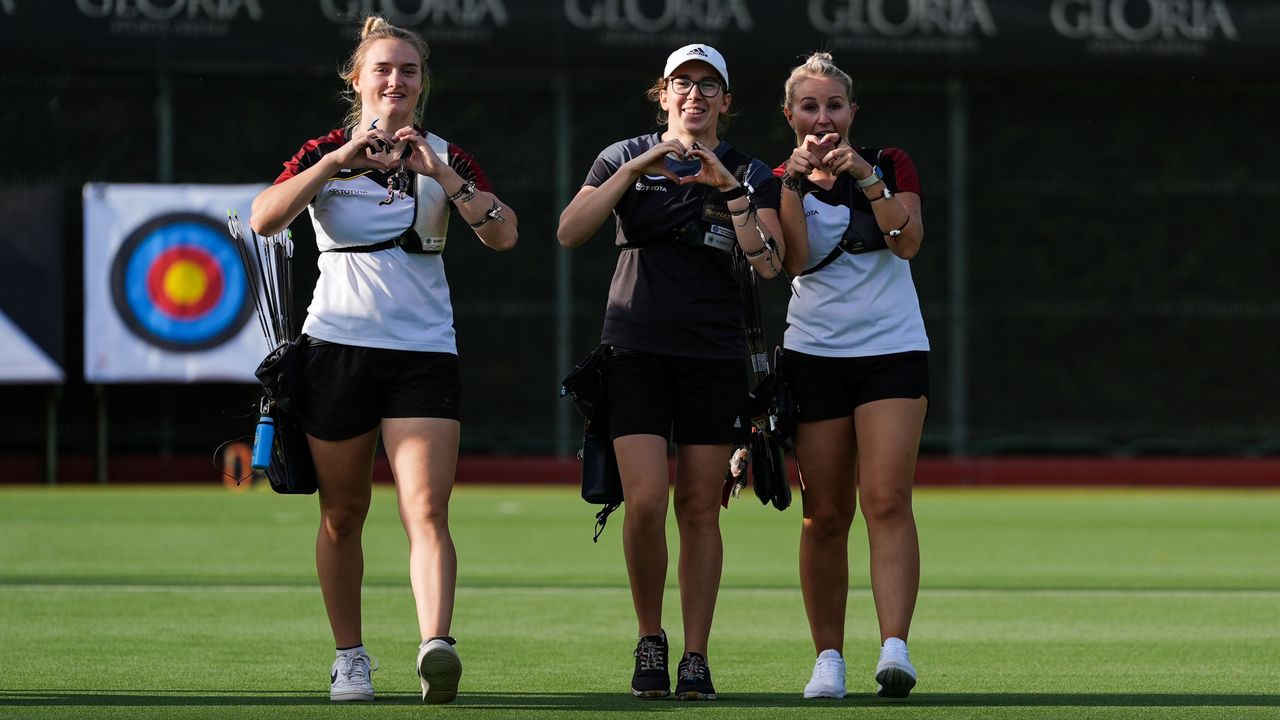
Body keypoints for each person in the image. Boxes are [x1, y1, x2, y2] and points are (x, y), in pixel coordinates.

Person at [249, 15, 518, 704]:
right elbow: (264, 219)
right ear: (358, 80)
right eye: (383, 70)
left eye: (408, 71)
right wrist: (337, 162)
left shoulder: (445, 153)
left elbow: (504, 234)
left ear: (422, 83)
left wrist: (446, 179)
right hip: (335, 348)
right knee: (342, 513)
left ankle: (436, 645)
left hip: (424, 352)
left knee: (426, 508)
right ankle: (350, 658)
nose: (395, 81)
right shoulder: (326, 150)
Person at [557, 44, 785, 701]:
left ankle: (695, 656)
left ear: (725, 101)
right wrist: (641, 167)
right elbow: (571, 230)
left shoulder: (747, 169)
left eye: (708, 85)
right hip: (633, 353)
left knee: (699, 509)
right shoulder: (621, 155)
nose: (695, 95)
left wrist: (732, 192)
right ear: (662, 94)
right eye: (682, 83)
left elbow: (769, 264)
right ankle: (650, 637)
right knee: (647, 500)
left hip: (713, 359)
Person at [773, 52, 929, 700]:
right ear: (791, 115)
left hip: (892, 350)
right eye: (809, 107)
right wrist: (796, 184)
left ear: (851, 112)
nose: (823, 118)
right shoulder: (778, 175)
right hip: (814, 354)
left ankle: (895, 647)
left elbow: (907, 238)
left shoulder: (889, 161)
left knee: (886, 498)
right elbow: (795, 261)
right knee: (825, 514)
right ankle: (828, 659)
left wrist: (864, 174)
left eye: (834, 106)